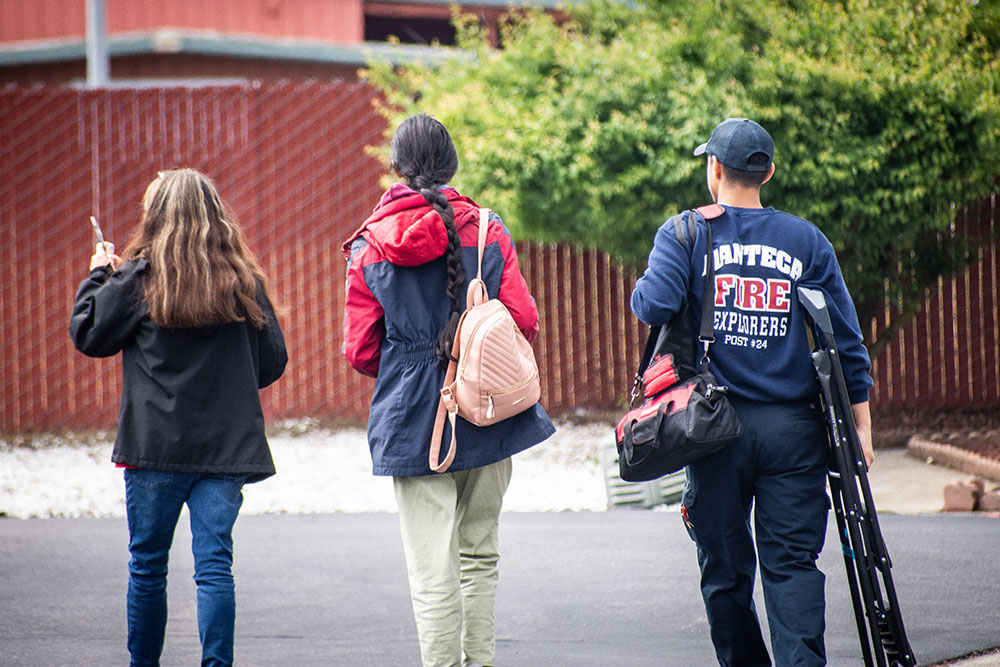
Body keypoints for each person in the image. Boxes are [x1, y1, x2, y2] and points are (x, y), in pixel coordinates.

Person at [631, 118, 874, 666]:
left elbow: (652, 305)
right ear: (768, 171)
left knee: (724, 568)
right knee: (792, 565)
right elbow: (847, 343)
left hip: (714, 432)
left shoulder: (686, 232)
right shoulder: (805, 240)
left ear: (714, 169)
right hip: (795, 432)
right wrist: (861, 426)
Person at [342, 114, 555, 667]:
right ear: (453, 165)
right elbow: (524, 319)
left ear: (395, 167)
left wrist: (409, 361)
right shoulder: (486, 228)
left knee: (430, 568)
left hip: (413, 418)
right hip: (488, 406)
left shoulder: (368, 247)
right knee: (479, 555)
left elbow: (360, 350)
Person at [69, 168, 287, 667]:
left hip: (155, 449)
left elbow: (88, 335)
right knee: (215, 568)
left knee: (148, 567)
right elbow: (272, 362)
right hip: (226, 450)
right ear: (215, 215)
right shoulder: (242, 281)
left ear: (156, 217)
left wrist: (100, 273)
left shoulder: (137, 279)